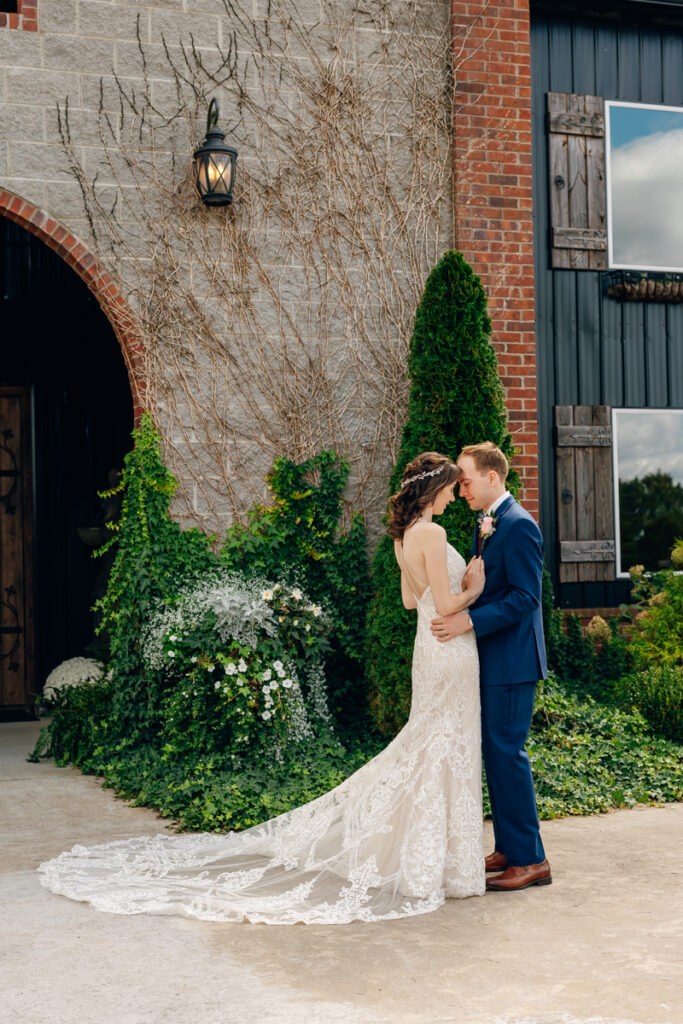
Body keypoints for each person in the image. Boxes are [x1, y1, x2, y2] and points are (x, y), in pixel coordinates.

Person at [38, 451, 488, 925]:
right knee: (445, 748)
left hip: (427, 650)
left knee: (429, 747)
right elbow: (443, 604)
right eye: (449, 489)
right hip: (448, 650)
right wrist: (473, 587)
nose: (453, 498)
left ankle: (424, 863)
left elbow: (407, 600)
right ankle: (442, 866)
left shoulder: (404, 538)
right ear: (433, 489)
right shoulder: (433, 533)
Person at [431, 442, 551, 892]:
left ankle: (531, 859)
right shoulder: (489, 524)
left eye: (464, 480)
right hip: (494, 659)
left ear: (492, 478)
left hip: (513, 661)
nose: (460, 489)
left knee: (507, 754)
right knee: (496, 756)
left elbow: (526, 598)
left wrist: (468, 619)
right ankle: (509, 846)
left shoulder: (519, 526)